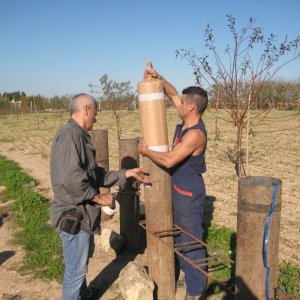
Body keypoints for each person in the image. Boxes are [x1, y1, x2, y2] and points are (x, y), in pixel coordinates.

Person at [50, 93, 149, 300]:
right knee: (75, 272)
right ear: (86, 110)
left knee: (80, 264)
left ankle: (82, 294)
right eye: (95, 112)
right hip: (74, 214)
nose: (96, 118)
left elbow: (94, 175)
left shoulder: (78, 135)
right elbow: (71, 181)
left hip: (82, 214)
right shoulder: (70, 136)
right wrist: (99, 198)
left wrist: (126, 174)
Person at [138, 64, 208, 300]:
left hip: (188, 193)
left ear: (191, 107)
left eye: (183, 101)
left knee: (190, 241)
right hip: (178, 189)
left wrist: (147, 152)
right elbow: (171, 92)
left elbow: (168, 160)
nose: (178, 103)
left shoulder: (195, 134)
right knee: (179, 237)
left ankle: (197, 288)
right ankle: (189, 279)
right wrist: (158, 77)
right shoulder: (187, 117)